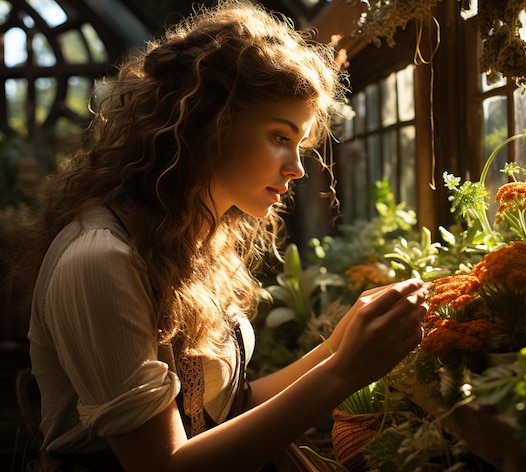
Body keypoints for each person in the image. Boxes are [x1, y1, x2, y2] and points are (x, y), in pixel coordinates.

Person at [14, 1, 429, 470]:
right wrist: (343, 371)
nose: (296, 169)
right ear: (208, 124)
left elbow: (231, 406)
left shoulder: (190, 240)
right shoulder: (100, 260)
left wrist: (340, 343)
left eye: (300, 144)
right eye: (279, 136)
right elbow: (164, 465)